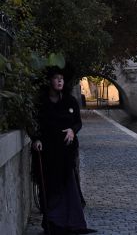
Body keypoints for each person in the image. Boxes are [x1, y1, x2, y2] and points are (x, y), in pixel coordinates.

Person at [31, 66, 96, 234]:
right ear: (50, 81)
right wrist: (36, 138)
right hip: (47, 151)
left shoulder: (70, 101)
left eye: (62, 78)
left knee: (68, 186)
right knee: (50, 186)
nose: (60, 81)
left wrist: (72, 130)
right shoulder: (40, 102)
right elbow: (33, 123)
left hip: (66, 152)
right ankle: (53, 223)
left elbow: (78, 122)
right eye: (56, 78)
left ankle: (71, 222)